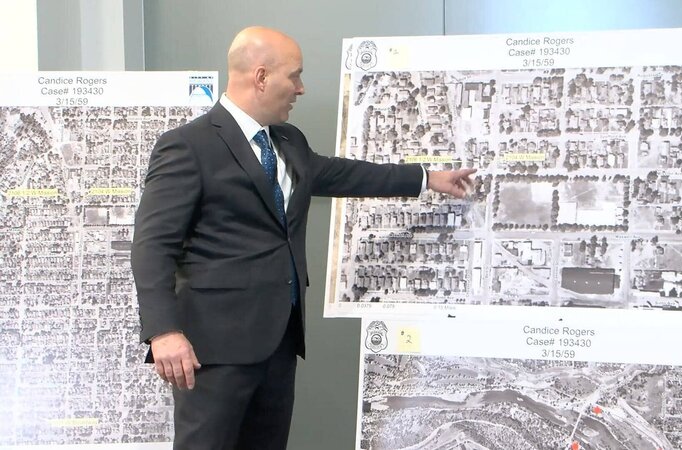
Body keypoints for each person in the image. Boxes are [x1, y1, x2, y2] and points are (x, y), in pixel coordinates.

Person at [131, 26, 475, 450]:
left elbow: (345, 175)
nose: (301, 88)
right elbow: (152, 245)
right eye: (294, 76)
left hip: (279, 345)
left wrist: (427, 178)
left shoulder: (289, 141)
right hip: (214, 351)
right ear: (261, 77)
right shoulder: (187, 146)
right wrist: (163, 331)